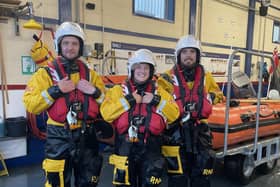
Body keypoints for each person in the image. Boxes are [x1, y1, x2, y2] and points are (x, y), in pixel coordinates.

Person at [23, 22, 106, 187]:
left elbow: (108, 105)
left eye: (75, 43)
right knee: (58, 183)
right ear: (59, 45)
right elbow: (31, 104)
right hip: (58, 135)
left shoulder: (92, 75)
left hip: (87, 135)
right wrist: (55, 90)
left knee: (88, 182)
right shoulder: (45, 73)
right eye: (66, 43)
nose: (70, 47)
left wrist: (95, 92)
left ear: (80, 47)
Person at [100, 49, 179, 187]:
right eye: (138, 67)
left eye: (146, 67)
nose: (142, 71)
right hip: (125, 147)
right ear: (131, 69)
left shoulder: (160, 93)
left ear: (151, 71)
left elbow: (174, 114)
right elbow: (106, 113)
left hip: (151, 148)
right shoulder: (118, 91)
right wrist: (129, 100)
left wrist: (156, 100)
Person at [157, 35, 216, 187]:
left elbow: (218, 95)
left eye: (192, 52)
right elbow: (160, 102)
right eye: (184, 52)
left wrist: (209, 98)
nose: (188, 55)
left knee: (202, 177)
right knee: (177, 179)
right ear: (178, 55)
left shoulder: (207, 77)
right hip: (175, 134)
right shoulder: (165, 79)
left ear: (197, 55)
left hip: (200, 133)